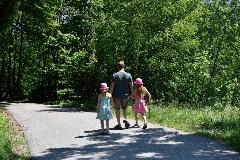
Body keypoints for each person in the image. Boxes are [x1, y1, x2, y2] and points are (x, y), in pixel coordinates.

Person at [110, 61, 133, 129]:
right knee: (125, 108)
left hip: (117, 95)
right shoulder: (128, 75)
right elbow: (131, 86)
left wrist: (110, 95)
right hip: (125, 95)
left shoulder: (115, 75)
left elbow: (112, 86)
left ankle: (119, 124)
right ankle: (125, 119)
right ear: (124, 67)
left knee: (117, 109)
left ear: (117, 67)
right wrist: (133, 94)